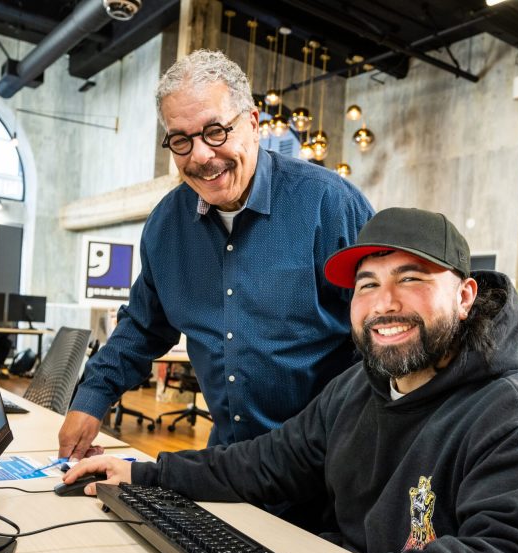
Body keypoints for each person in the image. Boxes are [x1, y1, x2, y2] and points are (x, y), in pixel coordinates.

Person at [63, 207, 518, 553]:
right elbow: (268, 461)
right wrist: (147, 472)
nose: (385, 303)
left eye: (411, 279)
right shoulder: (360, 389)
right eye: (368, 285)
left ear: (464, 296)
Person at [59, 50, 373, 458]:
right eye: (181, 140)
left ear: (254, 124)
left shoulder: (330, 205)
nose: (201, 156)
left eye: (215, 131)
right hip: (230, 460)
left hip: (327, 464)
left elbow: (381, 339)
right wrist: (91, 398)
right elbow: (143, 326)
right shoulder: (166, 226)